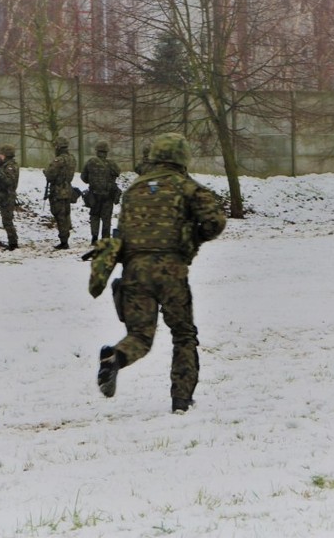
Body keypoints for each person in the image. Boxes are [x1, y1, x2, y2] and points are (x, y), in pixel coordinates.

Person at [96, 132, 226, 413]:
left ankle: (115, 358)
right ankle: (181, 399)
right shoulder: (186, 187)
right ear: (182, 157)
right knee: (183, 334)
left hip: (134, 271)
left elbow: (122, 233)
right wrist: (194, 237)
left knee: (141, 336)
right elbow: (215, 221)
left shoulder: (133, 190)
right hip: (170, 271)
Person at [80, 140, 121, 244]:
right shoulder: (111, 163)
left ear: (96, 151)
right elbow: (118, 172)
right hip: (107, 196)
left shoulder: (90, 162)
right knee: (106, 218)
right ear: (107, 151)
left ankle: (94, 237)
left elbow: (83, 177)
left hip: (94, 195)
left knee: (94, 216)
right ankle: (105, 239)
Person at [44, 135, 77, 250]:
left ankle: (64, 241)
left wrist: (46, 172)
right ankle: (65, 237)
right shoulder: (72, 158)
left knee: (60, 215)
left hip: (58, 191)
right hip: (68, 189)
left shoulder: (58, 160)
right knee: (66, 214)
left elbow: (50, 175)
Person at [0, 143, 20, 250]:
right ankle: (12, 241)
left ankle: (13, 243)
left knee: (7, 220)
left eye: (1, 154)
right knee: (6, 220)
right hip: (3, 195)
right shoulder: (4, 165)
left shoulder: (10, 166)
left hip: (8, 196)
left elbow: (9, 182)